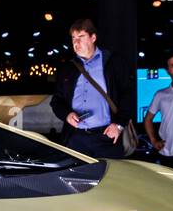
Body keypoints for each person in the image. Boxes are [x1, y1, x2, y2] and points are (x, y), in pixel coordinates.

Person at [50, 18, 136, 159]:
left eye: (81, 37)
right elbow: (56, 101)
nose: (76, 43)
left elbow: (128, 95)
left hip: (107, 137)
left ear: (93, 37)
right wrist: (67, 115)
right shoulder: (68, 69)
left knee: (111, 180)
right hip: (76, 139)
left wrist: (119, 125)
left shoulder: (113, 62)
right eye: (73, 38)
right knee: (77, 180)